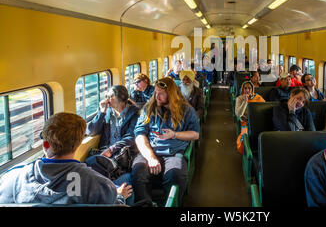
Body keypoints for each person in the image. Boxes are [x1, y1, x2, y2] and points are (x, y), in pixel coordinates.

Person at [0, 112, 130, 205]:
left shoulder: (11, 177)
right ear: (79, 144)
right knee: (127, 180)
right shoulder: (100, 185)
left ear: (45, 145)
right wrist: (119, 196)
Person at [131, 77, 200, 205]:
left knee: (175, 175)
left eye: (161, 93)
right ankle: (145, 204)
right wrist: (151, 157)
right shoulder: (149, 109)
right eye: (156, 93)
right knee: (138, 171)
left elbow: (195, 134)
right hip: (151, 151)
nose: (157, 96)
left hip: (173, 153)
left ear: (171, 94)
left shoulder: (186, 110)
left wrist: (174, 134)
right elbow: (140, 135)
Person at [85, 85, 140, 200]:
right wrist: (101, 112)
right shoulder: (107, 112)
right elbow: (91, 131)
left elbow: (131, 137)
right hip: (107, 153)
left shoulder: (135, 114)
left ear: (121, 98)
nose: (107, 99)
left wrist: (111, 149)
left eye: (109, 96)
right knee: (88, 166)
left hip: (124, 154)